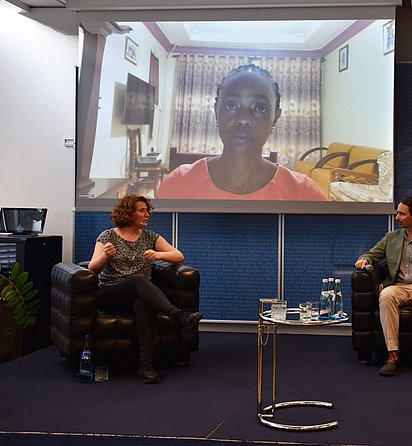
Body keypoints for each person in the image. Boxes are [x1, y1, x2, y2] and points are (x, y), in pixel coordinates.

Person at [157, 64, 326, 200]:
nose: (243, 119)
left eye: (259, 108)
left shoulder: (304, 194)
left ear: (275, 116)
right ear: (217, 110)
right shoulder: (178, 185)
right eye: (232, 106)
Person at [88, 194, 203, 384]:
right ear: (128, 213)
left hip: (137, 295)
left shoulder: (150, 237)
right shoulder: (108, 235)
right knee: (137, 280)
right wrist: (105, 256)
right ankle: (178, 316)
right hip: (111, 293)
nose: (147, 214)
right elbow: (93, 268)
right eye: (142, 210)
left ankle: (146, 366)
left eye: (147, 210)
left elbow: (178, 256)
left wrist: (158, 255)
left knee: (144, 302)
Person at [354, 197, 412, 379]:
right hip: (398, 287)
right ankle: (392, 355)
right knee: (386, 294)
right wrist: (365, 259)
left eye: (401, 213)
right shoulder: (391, 238)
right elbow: (371, 253)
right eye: (397, 212)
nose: (397, 216)